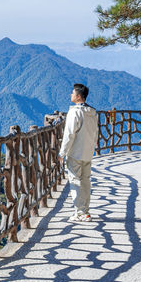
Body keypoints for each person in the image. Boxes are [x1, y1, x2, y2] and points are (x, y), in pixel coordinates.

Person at [59, 83, 98, 223]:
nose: (71, 95)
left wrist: (62, 153)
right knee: (86, 181)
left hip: (75, 152)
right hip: (88, 152)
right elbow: (96, 132)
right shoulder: (92, 112)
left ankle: (80, 212)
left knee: (75, 181)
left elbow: (69, 134)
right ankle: (85, 211)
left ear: (78, 96)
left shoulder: (75, 112)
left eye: (72, 93)